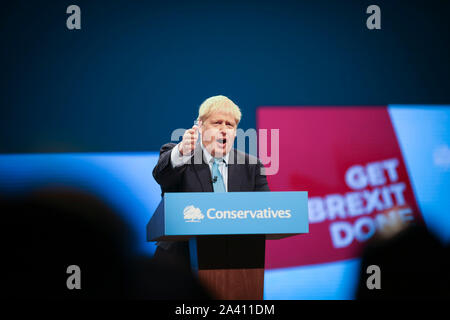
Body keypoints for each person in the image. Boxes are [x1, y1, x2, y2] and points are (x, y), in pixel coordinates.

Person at [152, 95, 270, 267]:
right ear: (200, 126)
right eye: (217, 123)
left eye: (229, 125)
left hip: (236, 265)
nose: (224, 129)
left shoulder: (251, 166)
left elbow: (267, 211)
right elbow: (161, 176)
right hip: (179, 263)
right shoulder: (180, 156)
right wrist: (182, 152)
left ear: (235, 132)